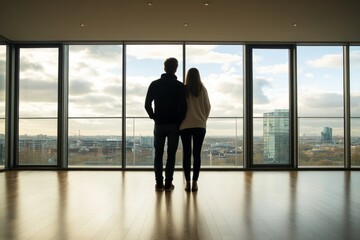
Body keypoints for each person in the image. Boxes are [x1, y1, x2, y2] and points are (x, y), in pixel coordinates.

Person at [145, 57, 187, 192]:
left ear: (164, 68)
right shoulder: (180, 86)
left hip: (159, 124)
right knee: (171, 155)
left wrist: (154, 116)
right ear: (176, 68)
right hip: (174, 124)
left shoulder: (154, 84)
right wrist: (179, 120)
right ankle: (168, 183)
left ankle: (158, 183)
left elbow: (147, 105)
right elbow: (184, 107)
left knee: (158, 154)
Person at [180, 68, 211, 192]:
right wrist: (203, 119)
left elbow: (179, 106)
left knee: (186, 154)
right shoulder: (202, 90)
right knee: (197, 154)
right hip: (200, 125)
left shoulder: (183, 89)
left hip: (184, 125)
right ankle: (195, 183)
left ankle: (187, 182)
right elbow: (208, 107)